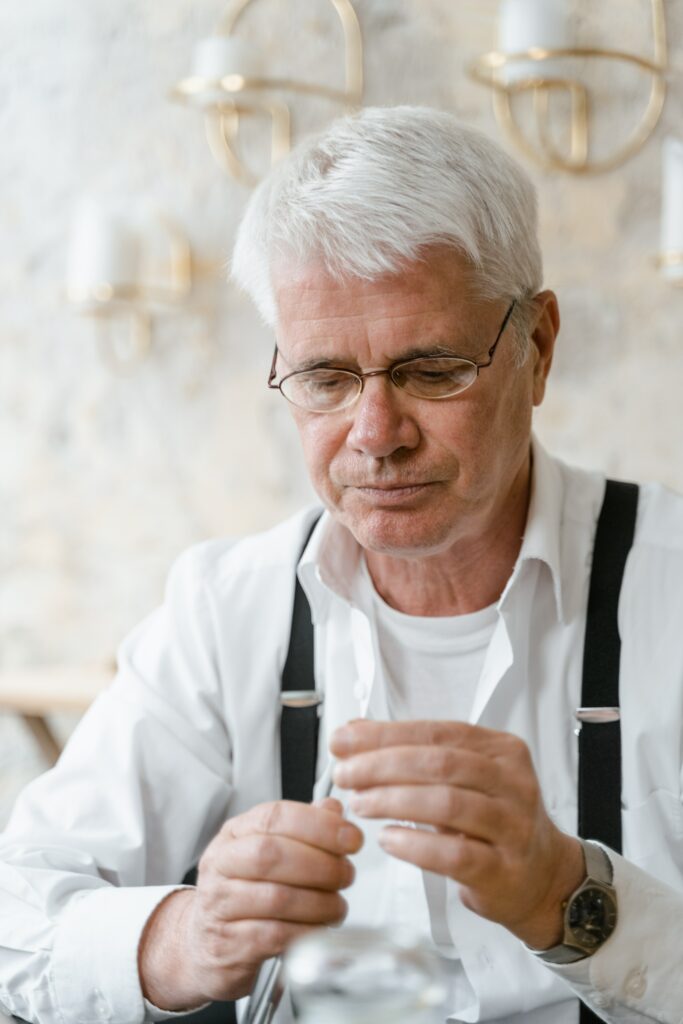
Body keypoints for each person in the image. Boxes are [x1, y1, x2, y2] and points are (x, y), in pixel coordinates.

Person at [1, 106, 682, 1024]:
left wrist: (571, 902)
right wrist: (188, 936)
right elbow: (17, 929)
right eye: (324, 379)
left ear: (538, 347)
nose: (375, 437)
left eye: (432, 368)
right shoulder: (227, 607)